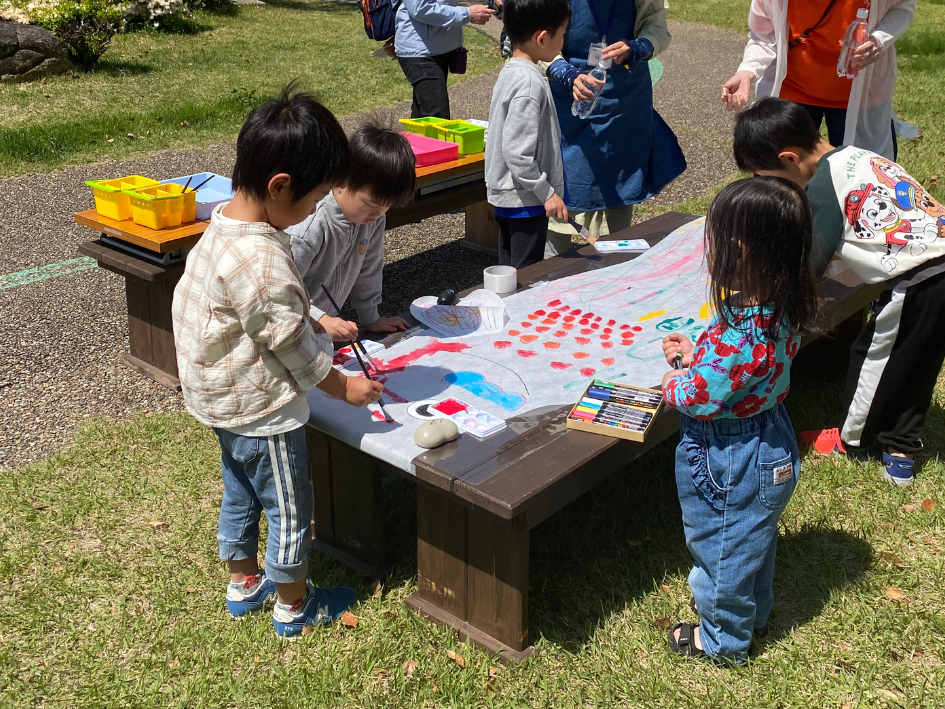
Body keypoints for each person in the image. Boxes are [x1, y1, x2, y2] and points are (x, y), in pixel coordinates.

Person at [171, 86, 385, 638]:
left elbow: (256, 317)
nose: (313, 211)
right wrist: (345, 389)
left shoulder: (222, 226)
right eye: (313, 201)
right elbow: (291, 346)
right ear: (280, 186)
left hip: (220, 397)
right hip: (261, 407)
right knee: (289, 504)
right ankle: (293, 604)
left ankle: (243, 583)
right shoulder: (263, 256)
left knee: (239, 488)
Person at [733, 97, 945, 488]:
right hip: (938, 263)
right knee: (915, 361)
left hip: (919, 280)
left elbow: (809, 260)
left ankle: (852, 439)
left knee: (873, 358)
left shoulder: (823, 184)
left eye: (769, 179)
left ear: (790, 159)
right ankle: (901, 448)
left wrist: (766, 300)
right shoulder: (856, 156)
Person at [661, 176, 820, 663]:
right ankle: (755, 614)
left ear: (740, 250)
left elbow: (698, 396)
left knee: (722, 548)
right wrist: (699, 351)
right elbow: (734, 367)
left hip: (730, 453)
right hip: (772, 436)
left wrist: (676, 377)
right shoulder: (777, 308)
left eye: (711, 239)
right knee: (754, 538)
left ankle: (724, 642)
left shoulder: (740, 338)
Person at [542, 0, 686, 254]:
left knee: (621, 194)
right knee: (562, 203)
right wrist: (563, 71)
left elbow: (655, 23)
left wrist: (639, 46)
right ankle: (546, 280)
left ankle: (617, 274)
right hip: (569, 105)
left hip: (625, 104)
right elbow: (535, 37)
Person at [721, 0, 915, 160]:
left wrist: (879, 39)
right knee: (780, 179)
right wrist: (747, 71)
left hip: (861, 95)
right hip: (792, 91)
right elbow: (763, 37)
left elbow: (902, 7)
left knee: (866, 180)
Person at [288, 124, 416, 341]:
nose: (376, 215)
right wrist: (320, 319)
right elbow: (281, 290)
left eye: (386, 207)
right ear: (341, 181)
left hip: (321, 329)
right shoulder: (310, 225)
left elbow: (369, 269)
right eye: (369, 204)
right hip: (289, 331)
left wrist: (370, 318)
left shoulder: (373, 220)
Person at [485, 0, 571, 269]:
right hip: (525, 199)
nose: (564, 40)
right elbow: (517, 152)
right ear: (543, 38)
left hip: (511, 195)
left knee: (509, 272)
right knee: (526, 274)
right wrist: (547, 193)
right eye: (563, 33)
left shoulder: (512, 71)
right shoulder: (529, 82)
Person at [394, 0, 494, 119]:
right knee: (437, 117)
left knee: (423, 116)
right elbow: (420, 8)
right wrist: (466, 13)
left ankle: (412, 137)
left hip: (438, 49)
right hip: (421, 53)